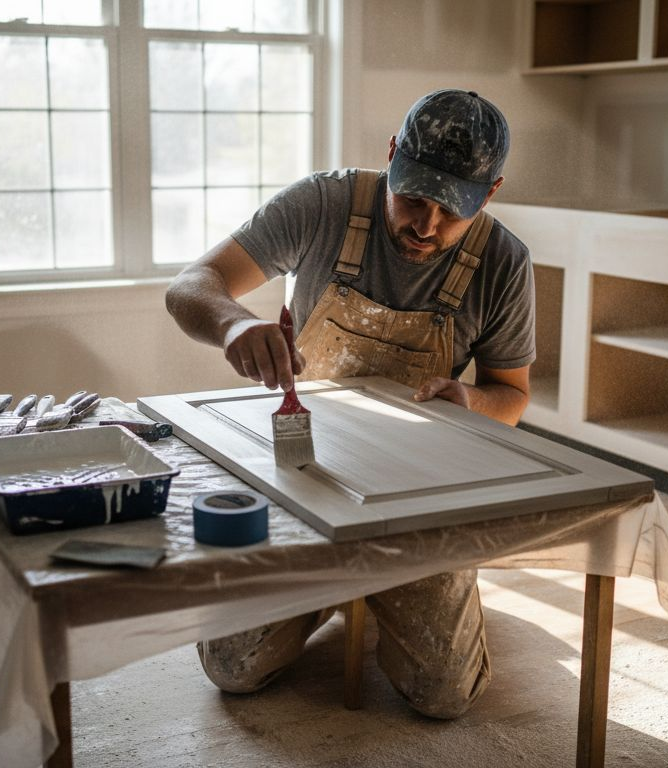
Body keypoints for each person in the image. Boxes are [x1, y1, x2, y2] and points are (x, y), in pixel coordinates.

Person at [164, 88, 536, 718]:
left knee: (444, 694)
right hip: (302, 470)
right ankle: (335, 588)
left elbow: (513, 394)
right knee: (234, 667)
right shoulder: (323, 204)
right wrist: (233, 324)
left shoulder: (503, 262)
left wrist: (471, 400)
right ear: (392, 156)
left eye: (450, 211)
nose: (426, 227)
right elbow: (190, 285)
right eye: (412, 198)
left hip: (416, 490)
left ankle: (386, 588)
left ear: (490, 193)